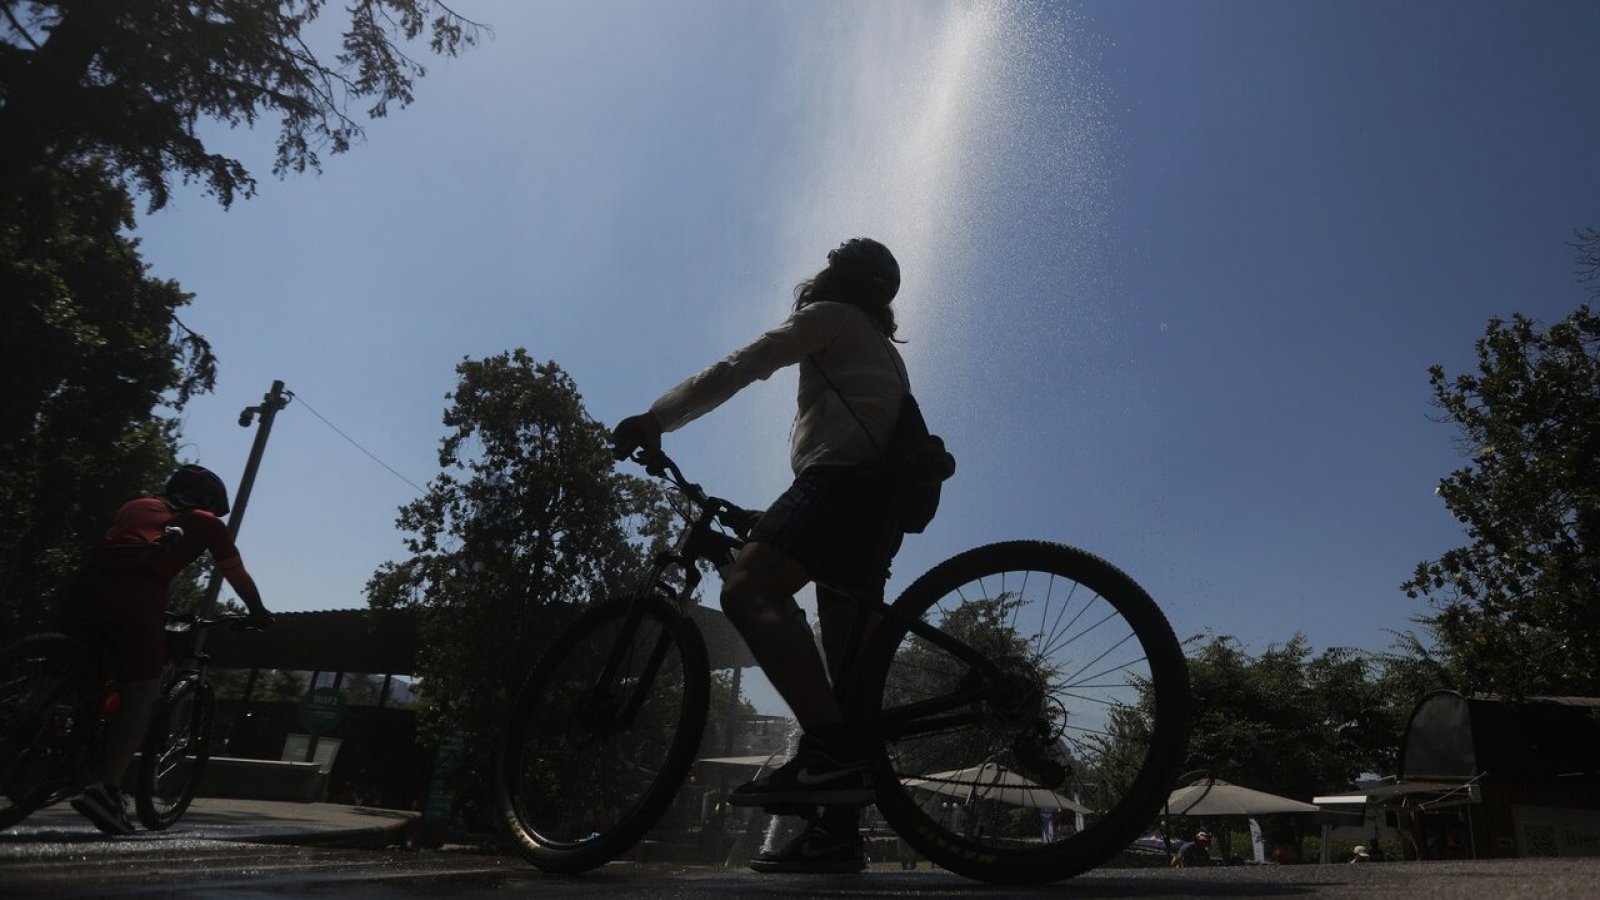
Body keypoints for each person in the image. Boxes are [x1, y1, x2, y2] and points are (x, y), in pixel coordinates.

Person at [611, 238, 916, 875]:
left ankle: (825, 757)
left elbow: (744, 363)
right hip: (875, 505)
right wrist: (769, 520)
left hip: (837, 486)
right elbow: (852, 428)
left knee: (747, 590)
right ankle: (836, 838)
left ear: (839, 277)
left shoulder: (829, 317)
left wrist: (657, 419)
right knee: (848, 685)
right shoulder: (879, 346)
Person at [54, 464, 273, 834]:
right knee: (142, 691)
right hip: (137, 598)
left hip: (83, 590)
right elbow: (236, 574)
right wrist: (258, 612)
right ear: (207, 501)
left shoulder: (135, 505)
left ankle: (42, 737)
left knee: (74, 672)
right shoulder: (208, 523)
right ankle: (105, 790)